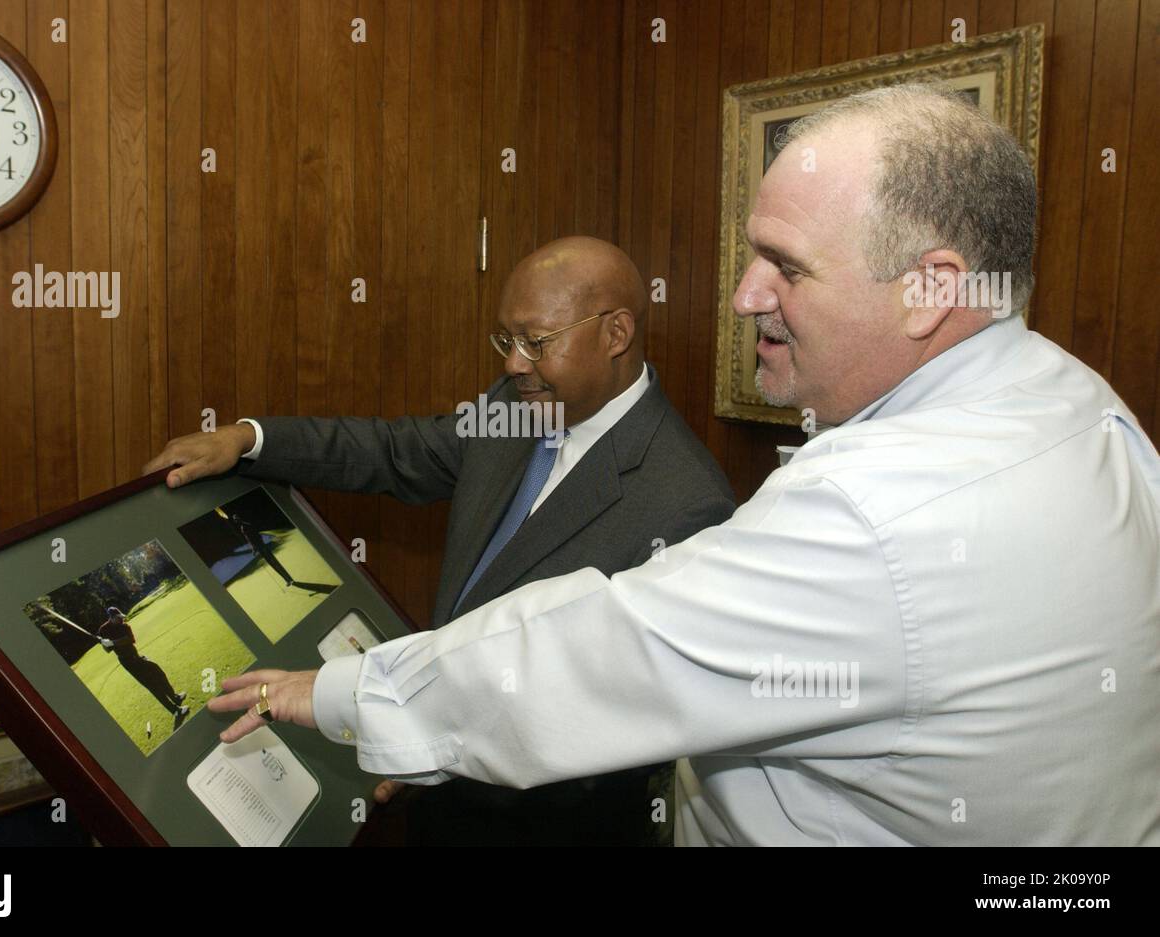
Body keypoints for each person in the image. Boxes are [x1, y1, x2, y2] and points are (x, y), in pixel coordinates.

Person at [205, 84, 1160, 846]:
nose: (745, 295)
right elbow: (404, 452)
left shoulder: (870, 509)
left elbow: (597, 654)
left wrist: (340, 692)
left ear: (931, 289)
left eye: (787, 265)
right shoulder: (1081, 403)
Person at [143, 236, 736, 845]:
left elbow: (610, 721)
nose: (513, 364)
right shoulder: (519, 402)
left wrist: (422, 735)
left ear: (616, 334)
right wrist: (250, 438)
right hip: (435, 798)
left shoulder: (687, 504)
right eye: (507, 340)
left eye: (537, 341)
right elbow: (402, 452)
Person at [96, 607, 191, 731]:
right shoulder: (103, 630)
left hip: (137, 657)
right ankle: (175, 711)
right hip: (128, 663)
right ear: (112, 618)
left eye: (121, 617)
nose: (121, 620)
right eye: (119, 618)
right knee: (152, 685)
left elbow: (130, 639)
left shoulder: (125, 626)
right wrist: (103, 643)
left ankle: (175, 697)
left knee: (158, 672)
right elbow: (108, 650)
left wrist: (113, 642)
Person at [224, 510, 335, 596]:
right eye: (235, 519)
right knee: (274, 564)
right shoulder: (245, 526)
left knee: (274, 564)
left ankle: (288, 579)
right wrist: (256, 547)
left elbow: (253, 538)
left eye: (236, 518)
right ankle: (288, 579)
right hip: (262, 547)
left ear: (238, 519)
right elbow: (253, 538)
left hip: (262, 548)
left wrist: (256, 548)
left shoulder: (245, 526)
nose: (236, 520)